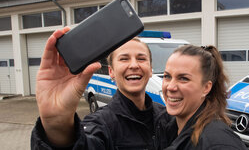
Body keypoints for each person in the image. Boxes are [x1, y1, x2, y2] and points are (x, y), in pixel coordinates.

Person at [31, 27, 174, 150]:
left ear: (150, 69)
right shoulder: (101, 123)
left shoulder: (166, 117)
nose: (134, 65)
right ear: (111, 72)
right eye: (124, 59)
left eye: (141, 59)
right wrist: (57, 126)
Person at [162, 45, 247, 149]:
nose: (170, 87)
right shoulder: (168, 129)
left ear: (206, 88)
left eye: (183, 78)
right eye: (167, 76)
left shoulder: (218, 142)